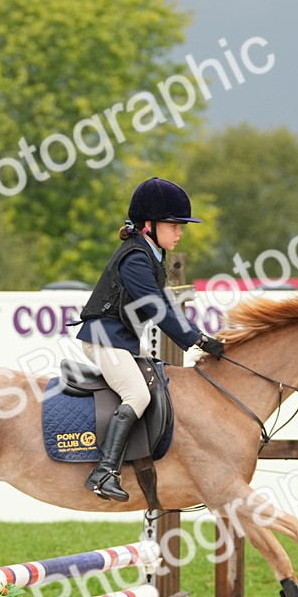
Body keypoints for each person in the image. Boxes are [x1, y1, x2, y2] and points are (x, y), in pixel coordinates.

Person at [74, 177, 224, 502]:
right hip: (104, 338)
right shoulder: (135, 259)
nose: (180, 232)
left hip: (120, 338)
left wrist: (199, 337)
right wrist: (198, 339)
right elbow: (158, 309)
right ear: (148, 225)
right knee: (137, 394)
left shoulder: (150, 254)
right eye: (173, 225)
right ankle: (103, 472)